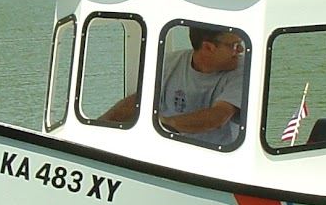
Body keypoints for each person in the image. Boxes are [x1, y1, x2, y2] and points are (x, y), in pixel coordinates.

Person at [100, 24, 247, 146]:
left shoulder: (244, 71)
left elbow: (218, 117)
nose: (240, 50)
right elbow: (139, 101)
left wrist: (162, 125)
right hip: (166, 153)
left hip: (216, 162)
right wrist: (101, 123)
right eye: (235, 45)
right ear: (208, 47)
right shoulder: (169, 63)